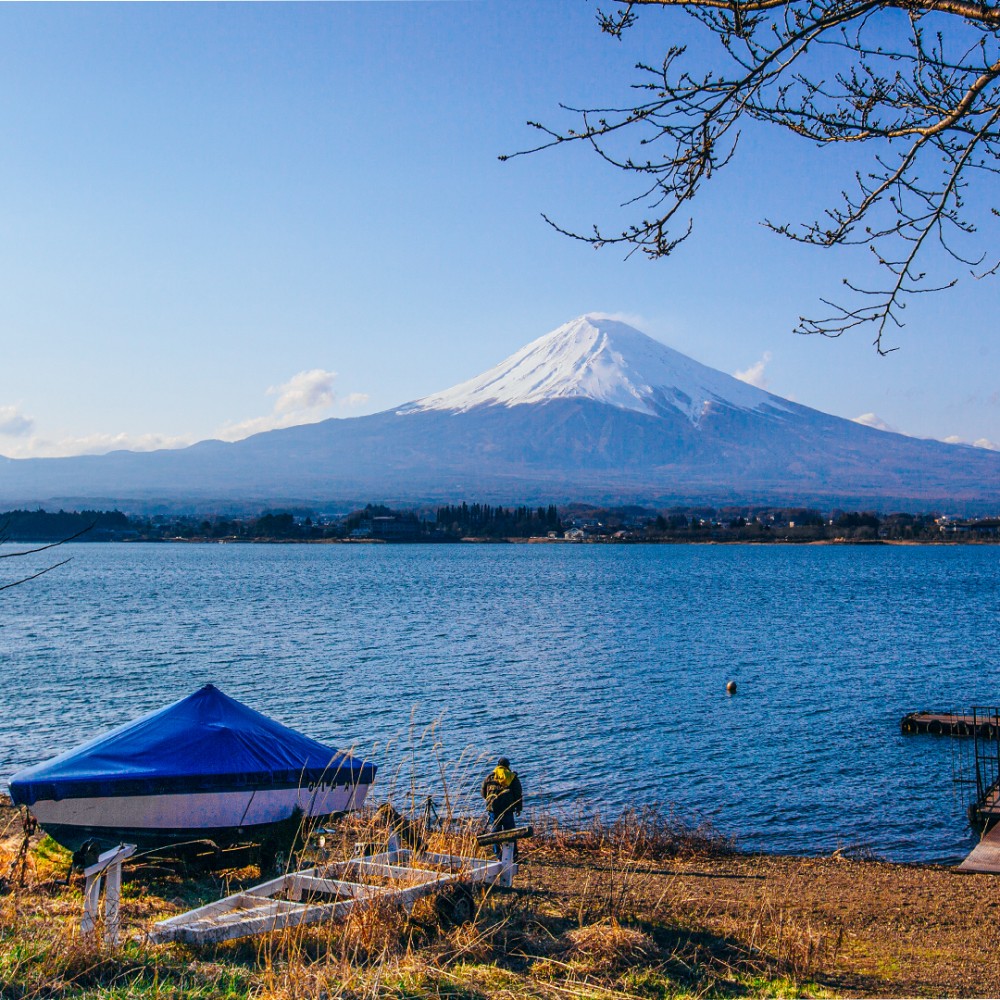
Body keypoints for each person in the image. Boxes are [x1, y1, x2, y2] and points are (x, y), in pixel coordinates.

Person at [481, 756, 523, 859]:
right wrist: (518, 808)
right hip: (507, 809)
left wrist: (490, 802)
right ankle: (513, 855)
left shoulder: (489, 777)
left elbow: (483, 793)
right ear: (507, 766)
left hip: (493, 809)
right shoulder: (512, 777)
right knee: (511, 832)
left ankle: (498, 854)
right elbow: (518, 794)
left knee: (495, 832)